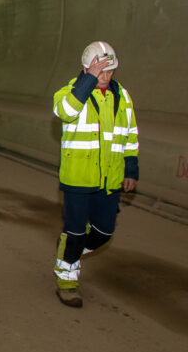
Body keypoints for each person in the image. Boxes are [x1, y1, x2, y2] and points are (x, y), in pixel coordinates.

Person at [51, 41, 139, 308]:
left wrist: (131, 168)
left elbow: (130, 134)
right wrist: (88, 81)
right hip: (79, 178)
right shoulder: (70, 92)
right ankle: (67, 281)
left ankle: (69, 251)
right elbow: (64, 112)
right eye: (100, 71)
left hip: (109, 179)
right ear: (87, 68)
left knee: (103, 232)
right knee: (76, 232)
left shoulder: (121, 96)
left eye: (109, 71)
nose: (105, 76)